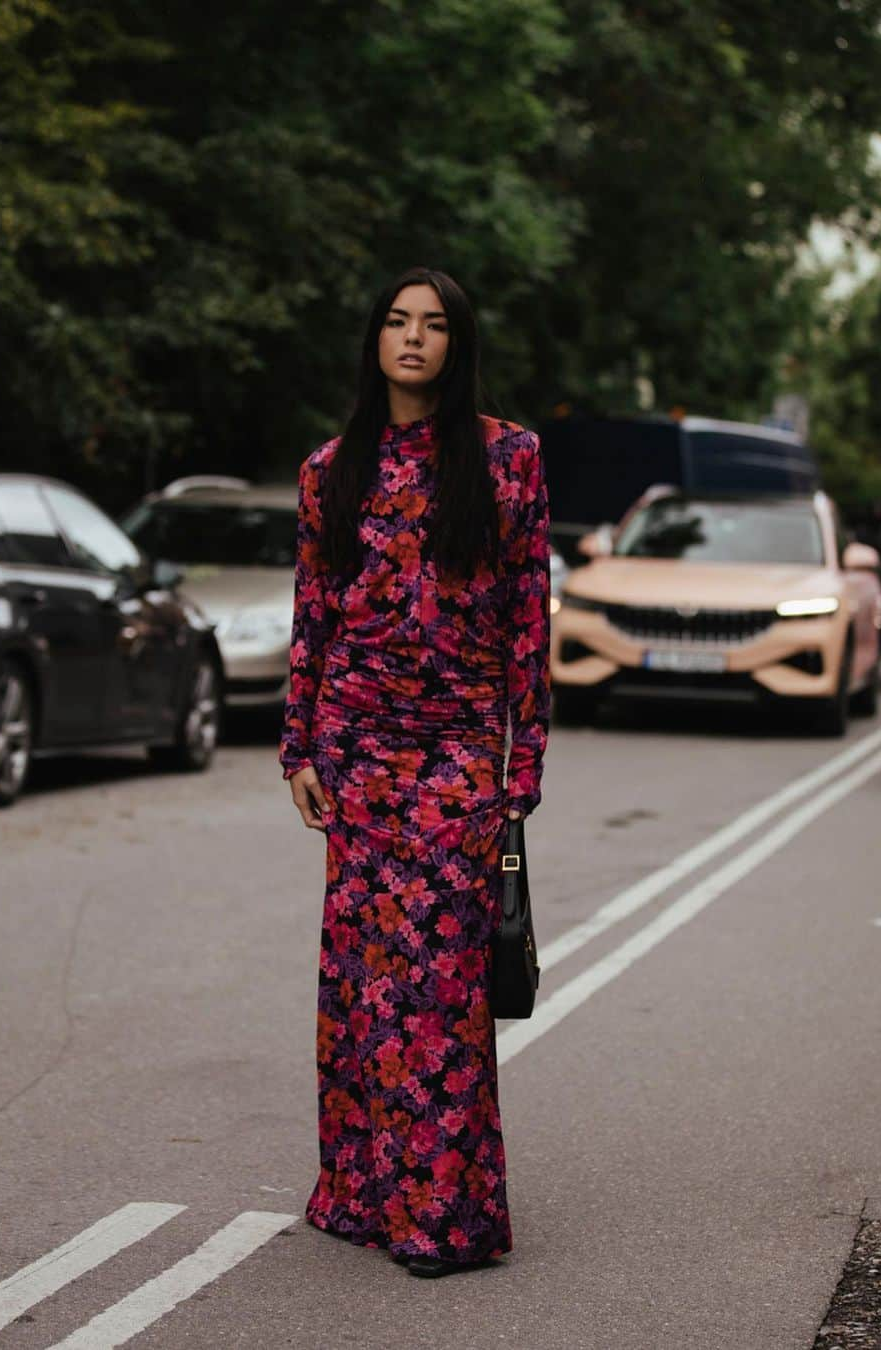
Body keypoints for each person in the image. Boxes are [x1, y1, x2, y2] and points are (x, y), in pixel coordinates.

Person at [279, 266, 550, 1278]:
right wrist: (298, 748)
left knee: (437, 981)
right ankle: (357, 1193)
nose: (412, 338)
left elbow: (530, 613)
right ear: (374, 341)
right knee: (362, 974)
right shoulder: (329, 468)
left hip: (457, 749)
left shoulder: (507, 458)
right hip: (355, 744)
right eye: (397, 321)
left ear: (456, 344)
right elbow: (315, 609)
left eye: (433, 325)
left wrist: (522, 761)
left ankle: (445, 1216)